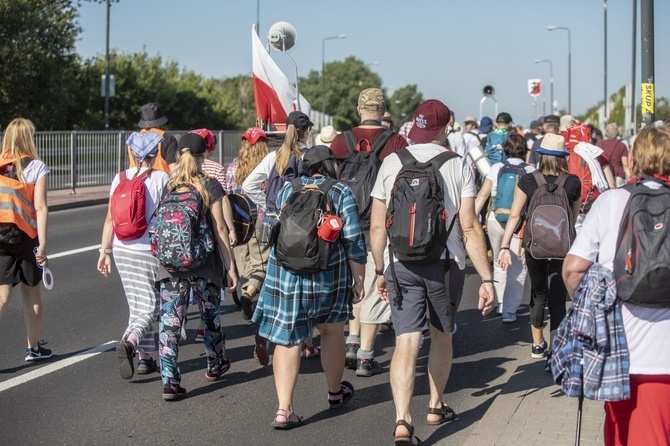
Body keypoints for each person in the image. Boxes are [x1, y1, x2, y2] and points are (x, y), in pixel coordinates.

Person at [370, 100, 495, 444]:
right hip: (444, 264)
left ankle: (402, 420)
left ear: (416, 124)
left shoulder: (391, 162)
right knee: (441, 335)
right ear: (446, 127)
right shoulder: (459, 165)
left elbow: (378, 226)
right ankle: (436, 405)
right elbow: (469, 227)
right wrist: (486, 278)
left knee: (406, 340)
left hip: (400, 263)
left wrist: (381, 268)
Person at [562, 124, 670, 445]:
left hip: (622, 353)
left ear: (633, 161)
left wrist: (590, 309)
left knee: (622, 434)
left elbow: (572, 270)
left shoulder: (610, 202)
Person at [251, 145, 366, 429]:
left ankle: (283, 410)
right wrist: (359, 280)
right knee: (331, 331)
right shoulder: (339, 191)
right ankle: (335, 392)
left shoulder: (287, 190)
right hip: (329, 275)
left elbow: (277, 230)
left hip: (288, 274)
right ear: (329, 165)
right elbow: (353, 240)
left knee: (288, 340)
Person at [329, 87, 408, 377]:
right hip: (380, 222)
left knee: (352, 282)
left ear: (358, 109)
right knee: (376, 283)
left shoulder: (340, 141)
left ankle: (351, 339)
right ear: (383, 110)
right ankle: (365, 354)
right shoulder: (396, 141)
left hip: (344, 223)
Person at [155, 133, 238, 401]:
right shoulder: (208, 185)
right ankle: (215, 363)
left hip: (171, 266)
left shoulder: (170, 185)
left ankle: (169, 380)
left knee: (170, 321)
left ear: (179, 155)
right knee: (209, 315)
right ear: (204, 156)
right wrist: (230, 267)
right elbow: (220, 228)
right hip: (204, 263)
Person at [498, 133, 581, 367]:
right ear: (563, 157)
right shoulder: (573, 182)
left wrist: (505, 245)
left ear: (541, 155)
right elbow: (572, 221)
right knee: (557, 299)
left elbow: (515, 215)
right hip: (563, 249)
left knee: (538, 293)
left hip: (534, 247)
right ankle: (556, 353)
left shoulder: (527, 181)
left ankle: (537, 344)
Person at [243, 111, 320, 359]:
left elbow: (248, 186)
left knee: (275, 282)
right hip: (302, 229)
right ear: (307, 131)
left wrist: (269, 206)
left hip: (275, 227)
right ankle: (306, 341)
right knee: (304, 284)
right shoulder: (308, 156)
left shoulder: (273, 156)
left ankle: (265, 332)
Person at [97, 132, 170, 379]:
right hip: (147, 249)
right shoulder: (161, 178)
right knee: (151, 306)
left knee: (136, 304)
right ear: (156, 153)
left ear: (131, 153)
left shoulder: (118, 178)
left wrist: (104, 251)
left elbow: (109, 217)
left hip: (121, 249)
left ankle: (145, 359)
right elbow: (167, 217)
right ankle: (130, 342)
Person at [0, 118, 51, 361]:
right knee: (32, 293)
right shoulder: (36, 167)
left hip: (1, 237)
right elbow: (40, 207)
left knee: (1, 296)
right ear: (28, 138)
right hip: (27, 237)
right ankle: (33, 348)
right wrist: (42, 244)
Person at [475, 133, 534, 323]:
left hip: (495, 219)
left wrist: (471, 218)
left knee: (499, 262)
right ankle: (509, 310)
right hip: (517, 223)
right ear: (524, 150)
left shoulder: (497, 167)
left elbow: (483, 195)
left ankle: (498, 302)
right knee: (518, 266)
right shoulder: (531, 170)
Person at [224, 127, 271, 365]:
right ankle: (249, 294)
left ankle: (246, 292)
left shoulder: (233, 166)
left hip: (239, 224)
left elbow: (228, 196)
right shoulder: (269, 164)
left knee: (244, 268)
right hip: (262, 222)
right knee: (261, 268)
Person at [186, 128, 235, 342]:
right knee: (207, 296)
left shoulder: (173, 176)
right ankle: (206, 341)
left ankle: (169, 370)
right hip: (205, 247)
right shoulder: (214, 172)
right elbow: (223, 204)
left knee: (181, 290)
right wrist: (230, 265)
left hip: (179, 246)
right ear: (206, 152)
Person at [129, 103, 179, 173]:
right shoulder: (167, 139)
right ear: (160, 122)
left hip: (136, 182)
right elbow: (174, 168)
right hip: (162, 182)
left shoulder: (132, 139)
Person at [597, 123, 630, 187]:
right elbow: (625, 165)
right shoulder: (622, 146)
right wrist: (631, 178)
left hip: (603, 175)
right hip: (618, 176)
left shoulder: (599, 144)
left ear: (606, 133)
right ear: (617, 133)